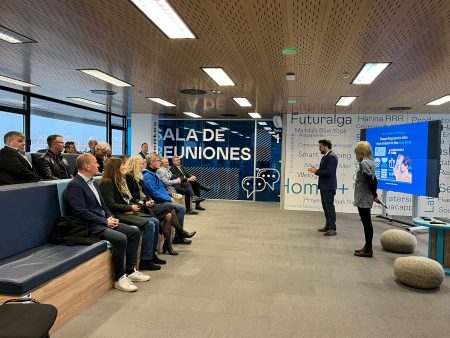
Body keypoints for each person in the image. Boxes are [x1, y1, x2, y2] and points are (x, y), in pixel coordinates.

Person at [64, 153, 150, 292]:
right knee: (121, 238)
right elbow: (80, 212)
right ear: (87, 166)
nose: (99, 165)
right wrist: (104, 221)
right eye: (95, 163)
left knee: (133, 232)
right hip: (89, 225)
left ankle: (130, 270)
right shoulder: (75, 185)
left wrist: (110, 217)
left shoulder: (94, 183)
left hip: (102, 221)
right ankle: (119, 278)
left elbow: (104, 206)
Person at [99, 158, 164, 270]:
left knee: (155, 221)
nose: (124, 167)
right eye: (122, 165)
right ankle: (145, 260)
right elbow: (111, 205)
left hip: (125, 211)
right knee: (150, 224)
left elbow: (125, 199)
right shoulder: (107, 183)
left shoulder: (117, 180)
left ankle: (151, 254)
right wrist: (129, 207)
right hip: (118, 214)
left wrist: (132, 206)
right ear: (115, 168)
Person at [125, 156, 195, 255]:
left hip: (150, 202)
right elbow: (147, 193)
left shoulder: (143, 176)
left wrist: (149, 199)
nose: (161, 163)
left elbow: (148, 192)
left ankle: (168, 244)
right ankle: (180, 232)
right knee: (173, 207)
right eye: (141, 163)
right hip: (150, 204)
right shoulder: (143, 176)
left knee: (169, 215)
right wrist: (147, 202)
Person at [143, 153, 192, 245]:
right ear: (151, 163)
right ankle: (179, 235)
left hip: (162, 199)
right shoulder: (147, 176)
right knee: (181, 208)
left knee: (177, 209)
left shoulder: (154, 173)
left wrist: (168, 196)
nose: (160, 162)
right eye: (158, 160)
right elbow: (154, 192)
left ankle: (177, 237)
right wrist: (168, 198)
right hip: (156, 202)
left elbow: (161, 188)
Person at [353, 141, 381, 258]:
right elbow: (375, 180)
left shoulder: (364, 163)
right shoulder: (371, 162)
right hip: (367, 195)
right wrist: (374, 194)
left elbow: (369, 180)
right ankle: (367, 246)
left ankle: (368, 249)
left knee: (366, 222)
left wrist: (374, 194)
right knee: (367, 222)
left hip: (363, 196)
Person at [307, 139, 338, 236]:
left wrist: (316, 171)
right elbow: (325, 170)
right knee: (326, 207)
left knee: (329, 207)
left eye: (320, 147)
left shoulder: (332, 157)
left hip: (328, 187)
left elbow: (329, 172)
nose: (319, 148)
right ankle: (328, 226)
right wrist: (316, 170)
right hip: (325, 186)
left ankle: (333, 228)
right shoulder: (326, 156)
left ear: (325, 146)